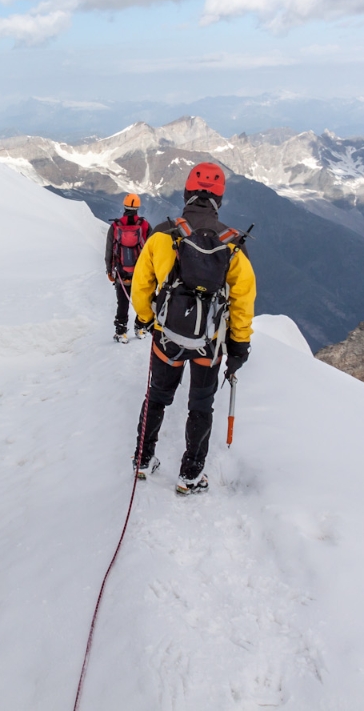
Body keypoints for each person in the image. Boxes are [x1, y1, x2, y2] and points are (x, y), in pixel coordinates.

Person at [129, 163, 256, 494]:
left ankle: (143, 459)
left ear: (186, 193)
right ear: (219, 200)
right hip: (208, 343)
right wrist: (239, 347)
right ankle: (190, 475)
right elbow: (243, 300)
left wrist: (144, 317)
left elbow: (142, 284)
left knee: (157, 395)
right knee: (201, 405)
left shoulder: (161, 235)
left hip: (167, 337)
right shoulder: (232, 243)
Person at [104, 194, 151, 343]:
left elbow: (109, 251)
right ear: (138, 208)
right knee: (142, 300)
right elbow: (151, 249)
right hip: (141, 272)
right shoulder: (144, 225)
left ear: (124, 207)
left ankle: (121, 332)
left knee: (123, 302)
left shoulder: (116, 226)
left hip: (121, 271)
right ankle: (140, 327)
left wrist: (109, 271)